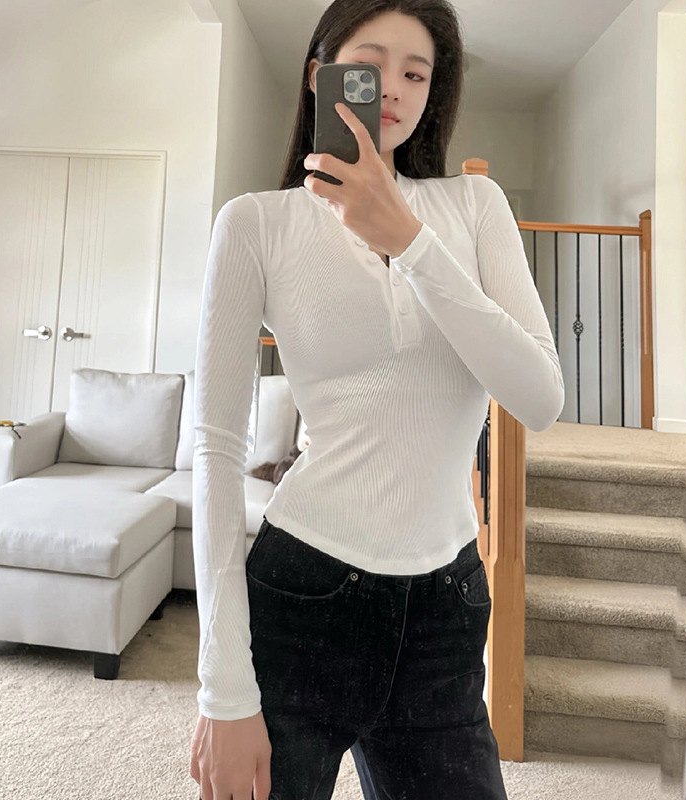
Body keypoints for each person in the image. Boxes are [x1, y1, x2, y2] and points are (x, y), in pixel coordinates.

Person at [189, 0, 565, 797]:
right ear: (320, 75)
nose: (392, 87)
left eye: (416, 73)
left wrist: (411, 241)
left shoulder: (474, 209)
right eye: (369, 66)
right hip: (303, 592)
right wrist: (222, 690)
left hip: (446, 606)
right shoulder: (256, 224)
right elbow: (216, 449)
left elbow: (539, 397)